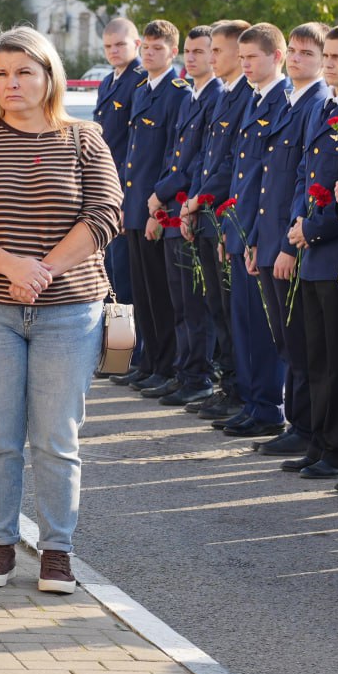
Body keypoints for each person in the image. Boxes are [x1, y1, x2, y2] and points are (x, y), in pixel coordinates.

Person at [0, 27, 121, 594]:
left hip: (69, 310)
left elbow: (105, 215)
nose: (12, 82)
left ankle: (57, 551)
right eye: (1, 73)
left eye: (24, 71)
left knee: (56, 437)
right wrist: (12, 268)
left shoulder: (85, 139)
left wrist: (42, 270)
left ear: (49, 77)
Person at [215, 23, 292, 438]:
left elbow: (270, 178)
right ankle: (253, 402)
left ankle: (268, 406)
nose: (244, 65)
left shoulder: (281, 99)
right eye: (241, 58)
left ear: (275, 56)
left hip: (263, 231)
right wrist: (236, 230)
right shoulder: (254, 97)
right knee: (244, 321)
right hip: (244, 230)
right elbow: (240, 172)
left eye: (252, 58)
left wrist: (258, 234)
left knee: (265, 330)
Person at [256, 23, 328, 457]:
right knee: (287, 337)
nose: (297, 58)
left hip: (297, 240)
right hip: (273, 237)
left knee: (301, 341)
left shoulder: (317, 104)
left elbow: (304, 183)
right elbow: (273, 179)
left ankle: (303, 425)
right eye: (295, 51)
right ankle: (299, 423)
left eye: (307, 53)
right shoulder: (291, 102)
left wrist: (286, 243)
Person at [180, 20, 252, 420]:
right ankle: (229, 388)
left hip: (224, 215)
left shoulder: (241, 96)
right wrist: (193, 202)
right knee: (216, 307)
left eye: (219, 51)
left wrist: (198, 202)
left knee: (228, 310)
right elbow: (207, 157)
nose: (215, 57)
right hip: (206, 212)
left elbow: (230, 164)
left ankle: (239, 391)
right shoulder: (228, 95)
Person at [149, 25, 222, 407]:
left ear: (214, 55)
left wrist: (162, 194)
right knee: (180, 301)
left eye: (199, 52)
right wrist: (161, 202)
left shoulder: (215, 97)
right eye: (188, 52)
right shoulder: (191, 97)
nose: (190, 58)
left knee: (196, 303)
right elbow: (173, 154)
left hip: (193, 208)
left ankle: (199, 375)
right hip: (176, 209)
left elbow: (196, 162)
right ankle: (185, 371)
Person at [121, 20, 188, 398]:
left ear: (172, 52)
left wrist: (157, 210)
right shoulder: (141, 89)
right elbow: (133, 156)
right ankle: (148, 362)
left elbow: (169, 157)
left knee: (162, 294)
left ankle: (166, 365)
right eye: (145, 47)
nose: (149, 53)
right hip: (133, 206)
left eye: (157, 48)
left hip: (155, 209)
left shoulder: (178, 93)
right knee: (142, 293)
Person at [286, 24, 338, 479]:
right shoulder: (328, 109)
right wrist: (298, 225)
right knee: (317, 356)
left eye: (337, 58)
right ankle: (320, 442)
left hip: (331, 249)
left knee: (335, 361)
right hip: (314, 251)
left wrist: (315, 229)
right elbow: (306, 174)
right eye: (331, 55)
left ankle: (335, 448)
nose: (330, 64)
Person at [95, 18, 142, 357]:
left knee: (127, 283)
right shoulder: (109, 82)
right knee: (110, 276)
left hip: (126, 196)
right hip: (107, 193)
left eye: (120, 45)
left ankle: (132, 354)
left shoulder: (140, 82)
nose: (114, 51)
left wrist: (122, 200)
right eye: (109, 46)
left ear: (136, 45)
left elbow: (134, 149)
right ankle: (117, 353)